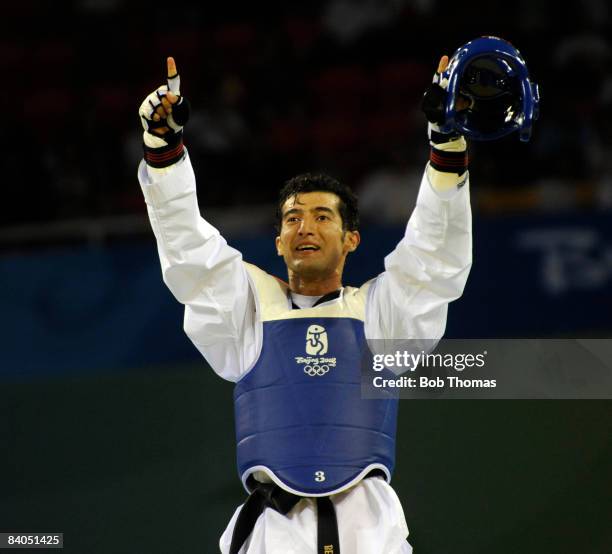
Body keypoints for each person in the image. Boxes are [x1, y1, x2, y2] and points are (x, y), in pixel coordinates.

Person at [137, 55, 472, 554]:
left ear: (352, 238)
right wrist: (164, 153)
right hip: (274, 532)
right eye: (292, 219)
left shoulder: (379, 317)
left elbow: (434, 260)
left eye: (321, 217)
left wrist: (445, 150)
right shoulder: (251, 310)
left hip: (370, 531)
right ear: (277, 241)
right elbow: (189, 252)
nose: (305, 228)